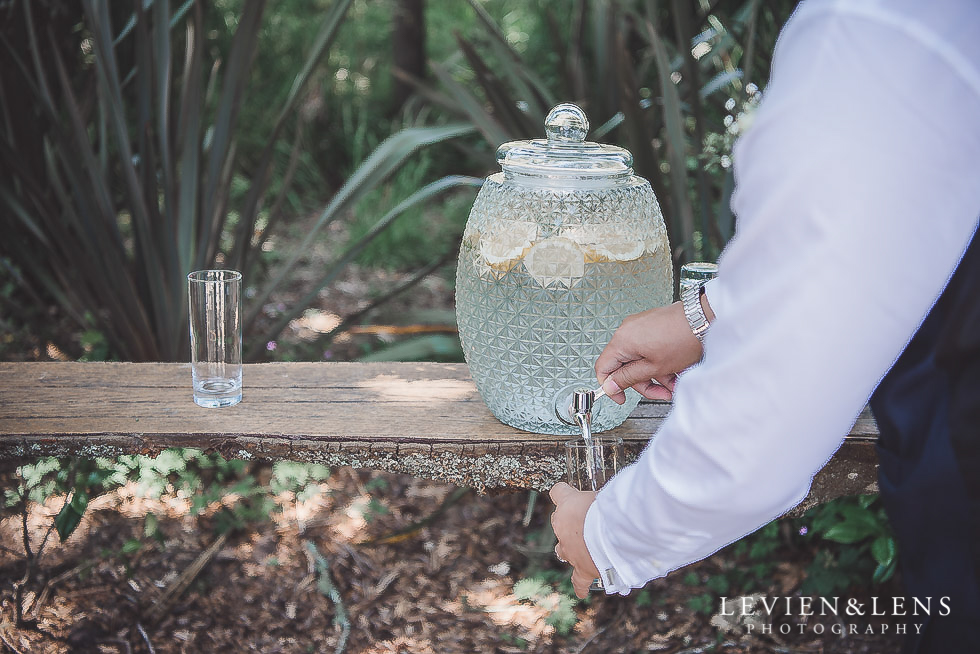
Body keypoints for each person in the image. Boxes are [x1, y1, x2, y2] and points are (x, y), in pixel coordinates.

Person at [548, 0, 980, 651]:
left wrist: (607, 535)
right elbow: (892, 230)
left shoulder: (869, 32)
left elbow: (764, 423)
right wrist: (707, 314)